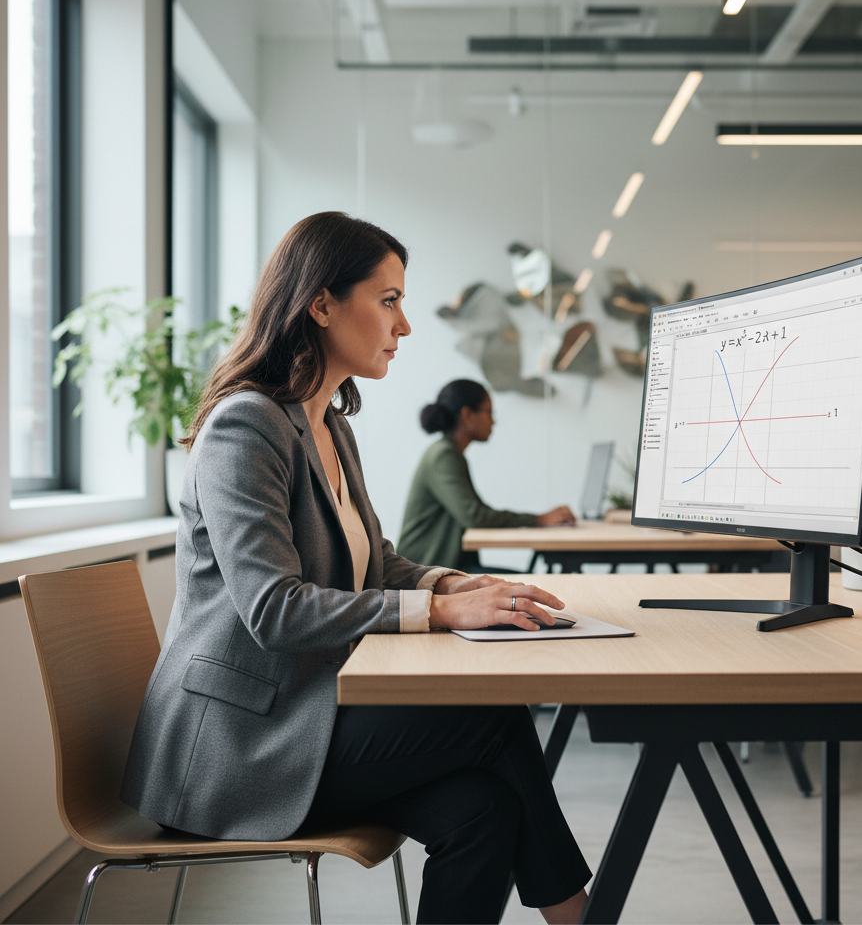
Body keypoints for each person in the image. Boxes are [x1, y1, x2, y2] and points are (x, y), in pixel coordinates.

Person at [120, 212, 591, 925]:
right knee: (492, 713)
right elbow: (274, 609)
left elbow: (376, 562)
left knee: (484, 810)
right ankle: (579, 916)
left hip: (303, 716)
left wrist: (453, 585)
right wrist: (436, 613)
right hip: (237, 748)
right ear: (321, 304)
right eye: (390, 300)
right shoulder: (244, 427)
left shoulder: (329, 424)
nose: (404, 327)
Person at [397, 379, 576, 571]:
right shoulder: (444, 456)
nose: (493, 421)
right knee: (528, 585)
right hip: (424, 573)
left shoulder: (450, 453)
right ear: (467, 415)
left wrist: (537, 519)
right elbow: (475, 516)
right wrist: (538, 519)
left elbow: (476, 513)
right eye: (489, 412)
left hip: (444, 567)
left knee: (529, 583)